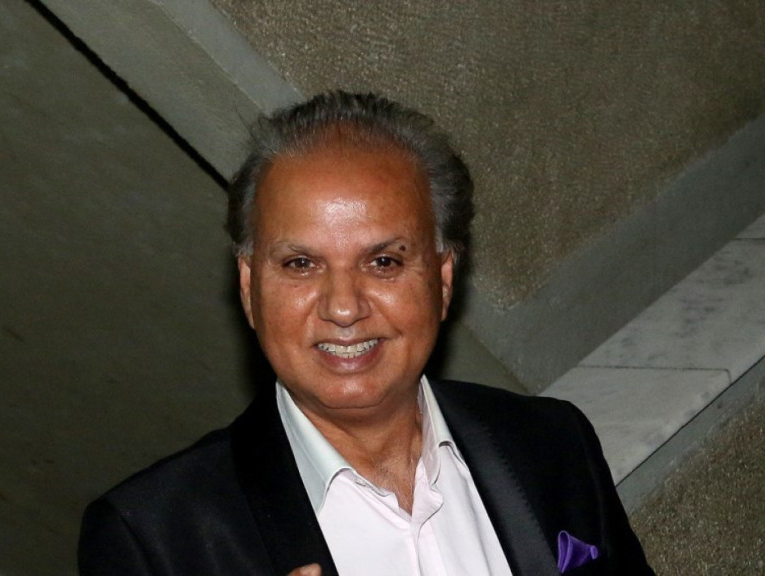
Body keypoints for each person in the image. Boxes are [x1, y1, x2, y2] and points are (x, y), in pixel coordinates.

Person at [78, 91, 653, 575]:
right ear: (250, 288)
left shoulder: (552, 445)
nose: (344, 308)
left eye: (383, 262)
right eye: (301, 264)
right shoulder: (154, 539)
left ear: (443, 279)